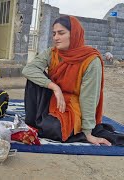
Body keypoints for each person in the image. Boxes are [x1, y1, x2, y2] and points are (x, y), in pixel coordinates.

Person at [22, 16, 116, 146]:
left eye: (61, 33)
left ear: (74, 34)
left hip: (73, 105)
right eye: (54, 34)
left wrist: (87, 132)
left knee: (54, 129)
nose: (56, 38)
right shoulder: (52, 53)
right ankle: (33, 122)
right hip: (54, 98)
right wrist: (55, 87)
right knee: (33, 79)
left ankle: (47, 124)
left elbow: (89, 97)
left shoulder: (90, 60)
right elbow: (28, 70)